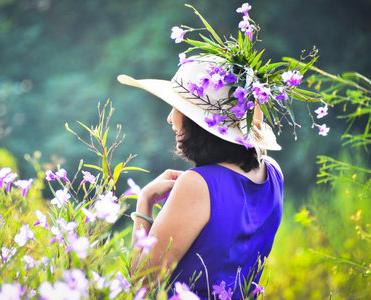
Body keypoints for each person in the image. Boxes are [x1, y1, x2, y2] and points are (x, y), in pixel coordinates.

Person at [117, 54, 284, 299]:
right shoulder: (273, 173)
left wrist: (144, 203)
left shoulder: (197, 184)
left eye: (177, 107)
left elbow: (141, 284)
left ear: (199, 121)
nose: (170, 118)